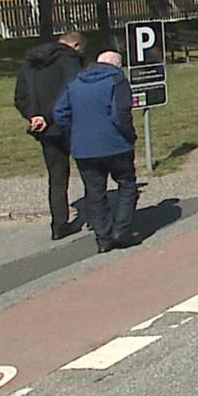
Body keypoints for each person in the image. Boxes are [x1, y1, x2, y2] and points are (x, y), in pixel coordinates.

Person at [53, 49, 141, 252]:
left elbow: (60, 114)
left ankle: (103, 238)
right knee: (127, 184)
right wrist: (130, 136)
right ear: (117, 65)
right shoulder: (117, 81)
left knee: (95, 193)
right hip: (115, 144)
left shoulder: (76, 82)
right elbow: (121, 115)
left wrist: (74, 134)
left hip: (84, 147)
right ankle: (121, 230)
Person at [13, 29, 86, 240]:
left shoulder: (31, 62)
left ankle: (59, 224)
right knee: (89, 170)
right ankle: (98, 216)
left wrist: (34, 116)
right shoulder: (70, 60)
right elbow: (73, 92)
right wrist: (48, 116)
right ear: (76, 46)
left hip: (44, 129)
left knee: (57, 177)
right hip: (70, 124)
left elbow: (20, 97)